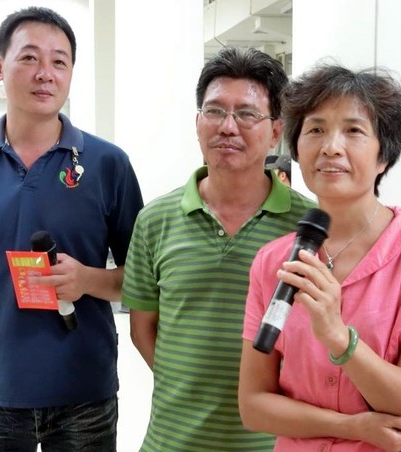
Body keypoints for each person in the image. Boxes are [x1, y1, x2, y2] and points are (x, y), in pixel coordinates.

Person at [0, 7, 143, 452]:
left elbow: (143, 280)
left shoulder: (108, 165)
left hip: (84, 395)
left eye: (59, 61)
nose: (45, 74)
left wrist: (87, 280)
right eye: (30, 58)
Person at [239, 64, 401, 451]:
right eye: (315, 130)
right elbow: (253, 407)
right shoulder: (273, 262)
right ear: (297, 149)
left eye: (353, 131)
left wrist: (339, 338)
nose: (331, 147)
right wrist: (355, 427)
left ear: (384, 156)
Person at [121, 47, 316, 451]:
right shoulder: (155, 220)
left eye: (246, 114)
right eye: (214, 111)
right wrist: (186, 388)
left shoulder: (307, 229)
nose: (228, 127)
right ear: (197, 122)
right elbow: (142, 329)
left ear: (276, 131)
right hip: (171, 442)